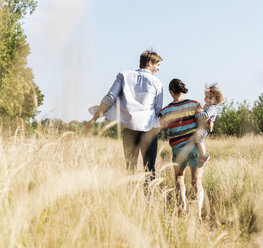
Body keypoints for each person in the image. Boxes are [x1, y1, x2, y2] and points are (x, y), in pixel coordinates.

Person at [86, 50, 163, 181]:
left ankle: (131, 198)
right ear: (150, 63)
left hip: (129, 128)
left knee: (130, 166)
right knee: (150, 168)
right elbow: (157, 109)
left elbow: (109, 98)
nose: (158, 69)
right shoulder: (157, 83)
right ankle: (148, 199)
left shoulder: (124, 76)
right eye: (157, 65)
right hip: (149, 129)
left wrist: (94, 118)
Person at [159, 78, 204, 220]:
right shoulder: (195, 104)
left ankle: (183, 208)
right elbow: (204, 123)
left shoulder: (166, 111)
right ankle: (198, 215)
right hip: (195, 148)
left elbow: (158, 128)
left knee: (179, 179)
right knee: (197, 181)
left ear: (170, 92)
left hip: (178, 150)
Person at [195, 84, 225, 167]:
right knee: (197, 139)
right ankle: (200, 155)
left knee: (199, 139)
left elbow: (206, 115)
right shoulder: (207, 105)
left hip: (205, 128)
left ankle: (204, 155)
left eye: (210, 98)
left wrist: (196, 115)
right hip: (203, 126)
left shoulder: (212, 107)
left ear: (216, 101)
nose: (207, 99)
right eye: (206, 96)